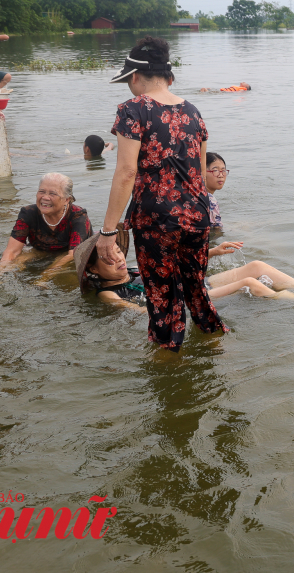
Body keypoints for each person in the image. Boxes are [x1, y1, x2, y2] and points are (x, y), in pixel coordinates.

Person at [97, 36, 226, 352]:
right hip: (197, 216)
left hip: (157, 220)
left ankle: (168, 370)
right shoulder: (193, 111)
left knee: (162, 297)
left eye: (128, 79)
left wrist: (107, 231)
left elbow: (126, 172)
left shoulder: (133, 110)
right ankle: (218, 345)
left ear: (136, 76)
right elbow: (198, 172)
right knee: (197, 290)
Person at [76, 231, 294, 309]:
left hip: (195, 285)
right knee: (249, 282)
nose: (119, 258)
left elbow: (175, 263)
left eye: (118, 251)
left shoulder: (135, 267)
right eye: (108, 258)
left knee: (256, 266)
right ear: (94, 270)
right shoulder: (108, 294)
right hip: (188, 299)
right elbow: (137, 312)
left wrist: (213, 252)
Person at [0, 173, 92, 285]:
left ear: (67, 199)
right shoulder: (28, 213)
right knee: (17, 262)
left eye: (52, 194)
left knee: (59, 274)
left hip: (66, 253)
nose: (45, 197)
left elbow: (73, 255)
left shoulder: (78, 216)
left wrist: (45, 276)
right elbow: (12, 250)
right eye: (41, 192)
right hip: (39, 250)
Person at [204, 152, 227, 230]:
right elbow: (217, 232)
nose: (221, 175)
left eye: (223, 170)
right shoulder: (209, 199)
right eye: (215, 170)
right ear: (202, 172)